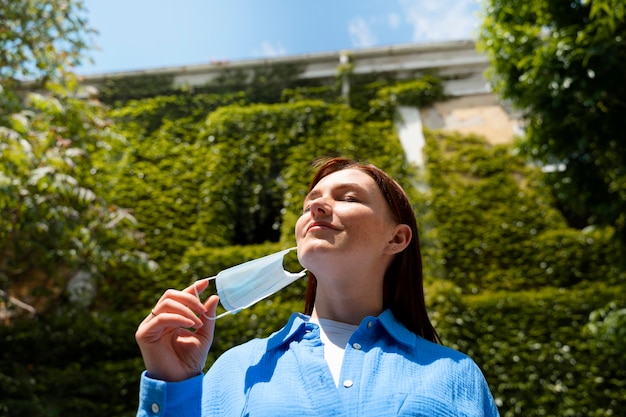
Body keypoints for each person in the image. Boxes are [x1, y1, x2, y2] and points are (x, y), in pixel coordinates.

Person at [135, 157, 500, 416]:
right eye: (311, 201)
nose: (317, 207)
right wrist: (172, 383)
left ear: (397, 238)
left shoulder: (454, 374)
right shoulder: (236, 368)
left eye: (348, 197)